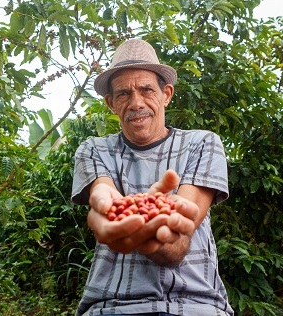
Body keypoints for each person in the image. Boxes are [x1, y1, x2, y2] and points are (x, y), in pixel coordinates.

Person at [72, 38, 234, 316]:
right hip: (111, 307)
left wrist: (132, 219)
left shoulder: (202, 143)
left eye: (147, 90)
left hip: (196, 307)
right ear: (111, 103)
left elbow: (176, 245)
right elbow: (103, 194)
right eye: (123, 94)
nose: (136, 103)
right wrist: (113, 209)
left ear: (166, 94)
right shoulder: (94, 149)